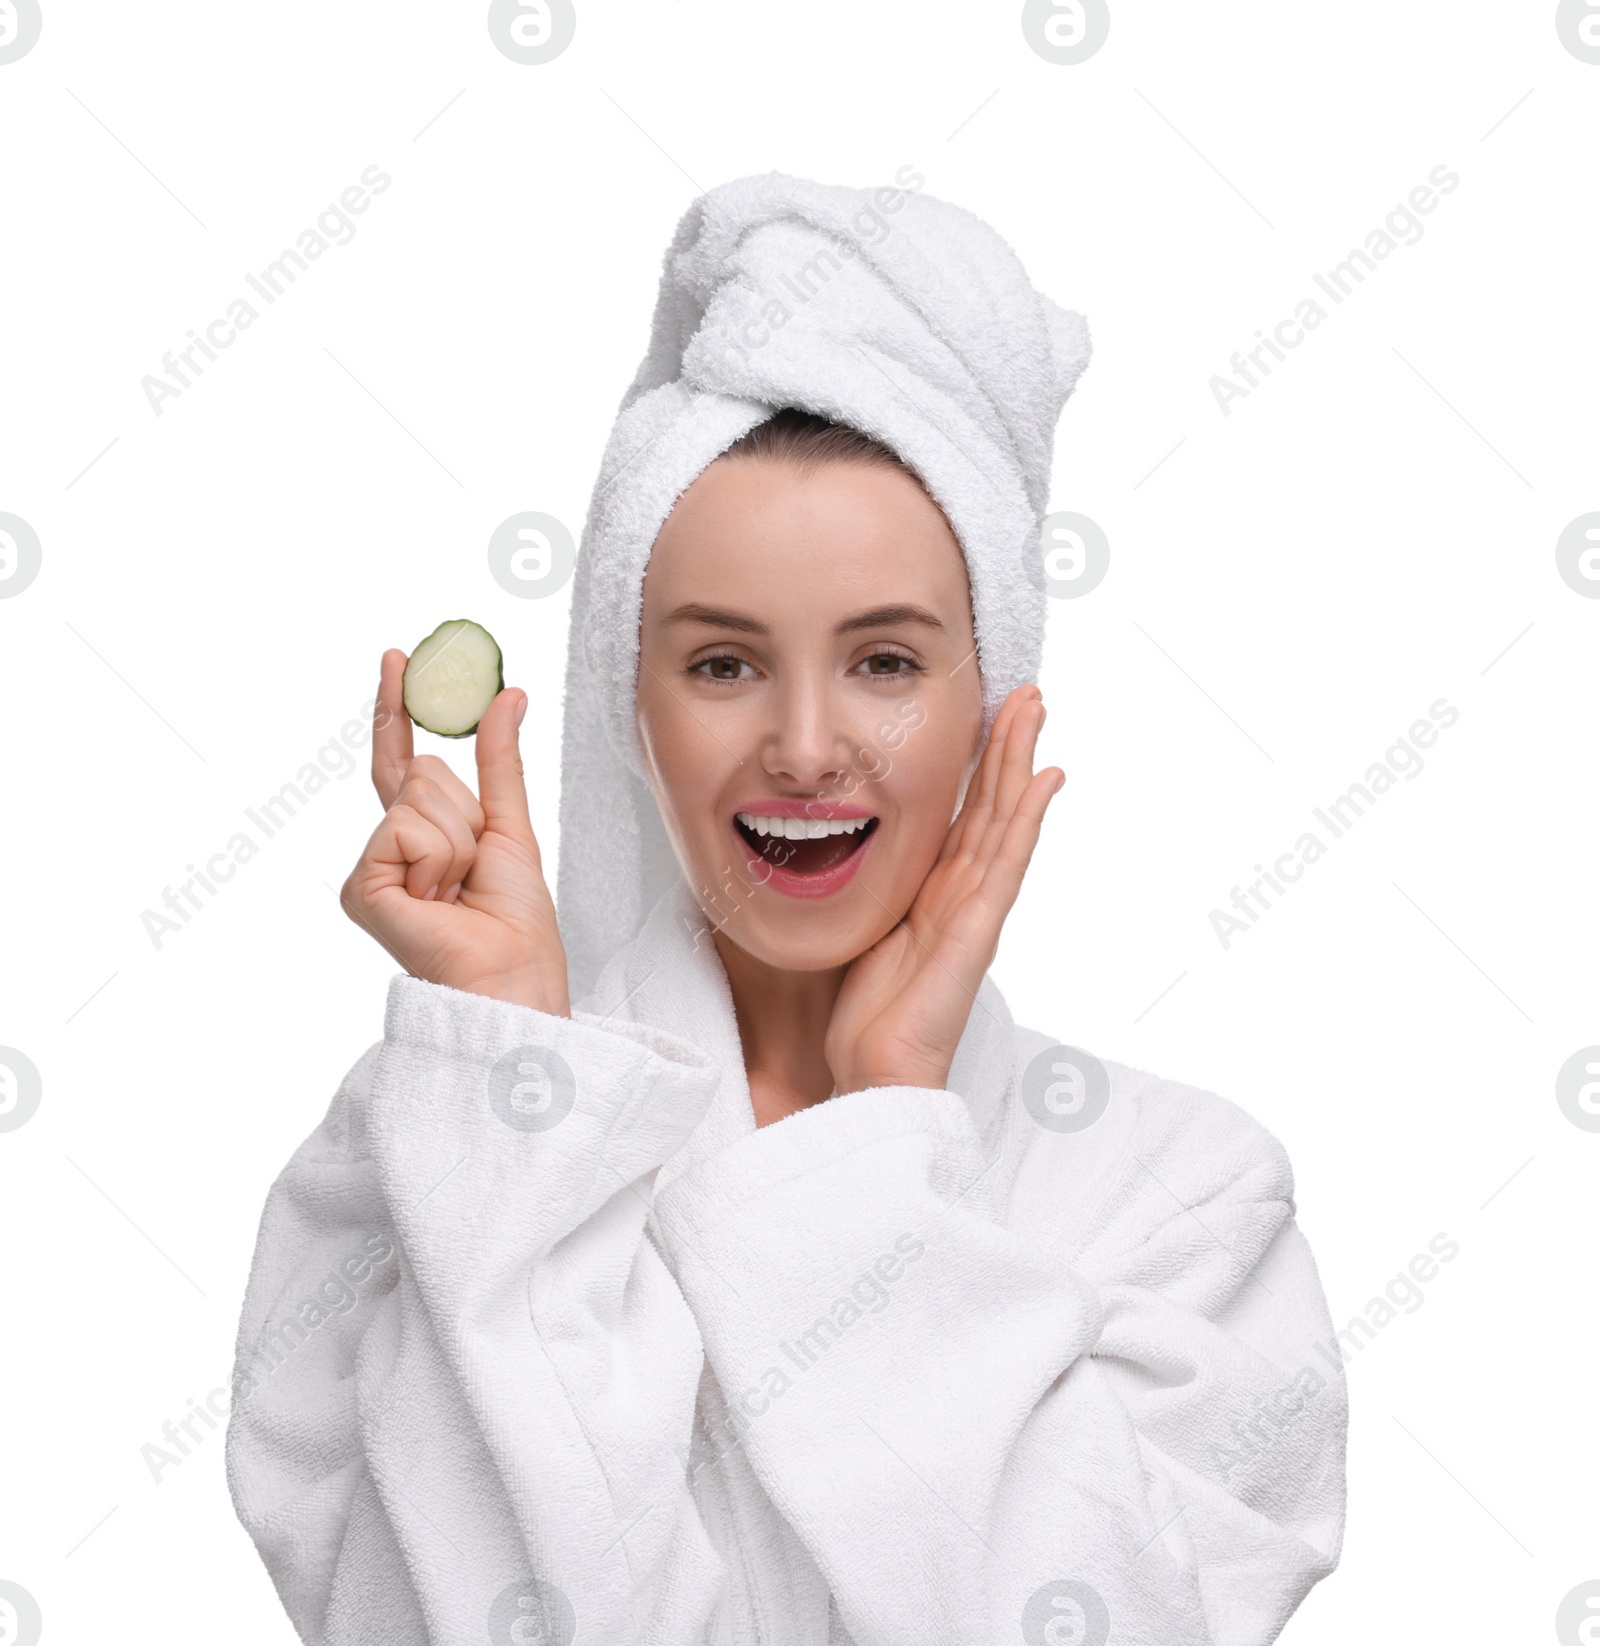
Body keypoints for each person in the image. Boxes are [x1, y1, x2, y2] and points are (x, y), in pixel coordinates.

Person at [226, 174, 1346, 1646]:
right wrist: (519, 1090)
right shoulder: (428, 1153)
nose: (807, 746)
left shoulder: (1184, 1200)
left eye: (885, 662)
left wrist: (879, 1142)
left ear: (992, 703)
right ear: (628, 708)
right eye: (722, 664)